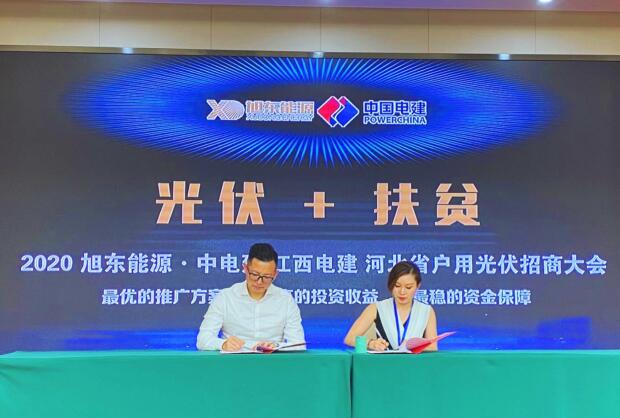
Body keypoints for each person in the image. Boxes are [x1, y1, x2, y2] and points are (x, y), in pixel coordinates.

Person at [196, 243, 305, 351]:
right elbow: (203, 340)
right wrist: (223, 344)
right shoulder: (225, 298)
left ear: (275, 275)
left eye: (267, 277)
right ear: (245, 269)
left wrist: (276, 346)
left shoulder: (285, 300)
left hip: (272, 360)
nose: (259, 282)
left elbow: (299, 345)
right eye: (255, 274)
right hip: (233, 360)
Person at [344, 261, 437, 351]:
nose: (402, 292)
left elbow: (433, 347)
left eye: (408, 287)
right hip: (384, 361)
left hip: (415, 361)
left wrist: (414, 346)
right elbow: (349, 339)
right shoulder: (377, 308)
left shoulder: (426, 311)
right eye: (397, 286)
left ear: (418, 286)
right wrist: (370, 343)